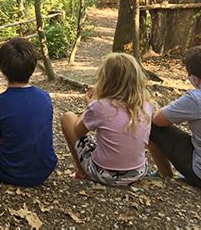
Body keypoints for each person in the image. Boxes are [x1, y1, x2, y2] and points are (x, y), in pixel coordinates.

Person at [60, 52, 153, 186]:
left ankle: (82, 172)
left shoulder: (100, 106)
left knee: (68, 118)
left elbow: (78, 131)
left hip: (104, 174)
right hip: (137, 171)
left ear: (106, 79)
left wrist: (90, 105)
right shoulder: (146, 105)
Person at [0, 38, 58, 187]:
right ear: (33, 68)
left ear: (3, 69)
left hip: (8, 172)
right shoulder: (45, 97)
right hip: (44, 170)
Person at [148, 45, 201, 189]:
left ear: (195, 78)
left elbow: (158, 120)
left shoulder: (196, 99)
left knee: (150, 126)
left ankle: (166, 175)